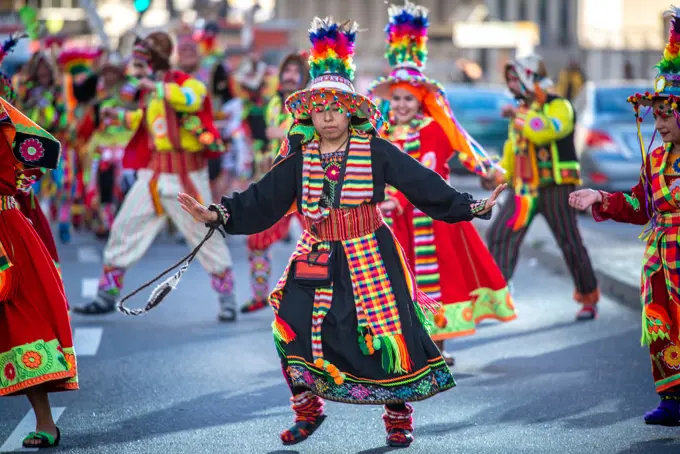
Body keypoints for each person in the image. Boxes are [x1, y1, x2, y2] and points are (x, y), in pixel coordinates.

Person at [178, 17, 506, 447]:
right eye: (320, 108)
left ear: (351, 111)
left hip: (370, 250)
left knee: (387, 333)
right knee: (288, 323)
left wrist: (471, 206)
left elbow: (422, 183)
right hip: (316, 252)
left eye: (336, 107)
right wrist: (219, 214)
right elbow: (264, 198)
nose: (328, 115)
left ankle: (397, 417)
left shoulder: (376, 150)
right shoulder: (300, 155)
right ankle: (308, 409)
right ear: (309, 113)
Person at [367, 1, 516, 366]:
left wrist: (488, 170)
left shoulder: (436, 128)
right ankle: (406, 344)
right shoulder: (382, 134)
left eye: (408, 99)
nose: (400, 104)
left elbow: (465, 149)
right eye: (396, 98)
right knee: (400, 281)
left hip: (434, 219)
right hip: (395, 221)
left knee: (443, 280)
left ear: (421, 102)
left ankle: (440, 344)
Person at [73, 32, 239, 322]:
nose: (143, 67)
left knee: (204, 236)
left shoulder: (190, 85)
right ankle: (105, 296)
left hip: (185, 176)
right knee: (125, 227)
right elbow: (150, 121)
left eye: (149, 57)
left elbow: (190, 101)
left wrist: (158, 88)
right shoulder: (152, 91)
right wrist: (120, 117)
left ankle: (227, 299)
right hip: (153, 174)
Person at [569, 7, 680, 425]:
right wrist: (599, 195)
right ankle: (672, 400)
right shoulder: (655, 158)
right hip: (659, 261)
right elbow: (640, 206)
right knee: (660, 325)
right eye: (657, 112)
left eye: (667, 112)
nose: (660, 120)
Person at [481, 53, 600, 320]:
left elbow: (544, 130)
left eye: (515, 78)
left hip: (556, 188)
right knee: (498, 234)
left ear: (531, 78)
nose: (511, 85)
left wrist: (519, 117)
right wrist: (496, 176)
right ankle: (501, 298)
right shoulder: (521, 112)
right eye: (509, 79)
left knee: (570, 242)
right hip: (523, 190)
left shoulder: (561, 106)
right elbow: (512, 152)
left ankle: (588, 297)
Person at [0, 63, 78, 447]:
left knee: (23, 318)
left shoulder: (3, 115)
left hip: (5, 230)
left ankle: (45, 422)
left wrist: (15, 189)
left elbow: (45, 150)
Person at [240, 51, 309, 314]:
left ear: (304, 78)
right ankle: (260, 295)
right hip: (275, 185)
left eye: (296, 72)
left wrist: (284, 133)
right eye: (286, 72)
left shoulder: (310, 107)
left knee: (323, 242)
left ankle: (323, 300)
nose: (290, 77)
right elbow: (265, 142)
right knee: (257, 241)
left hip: (306, 186)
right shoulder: (271, 104)